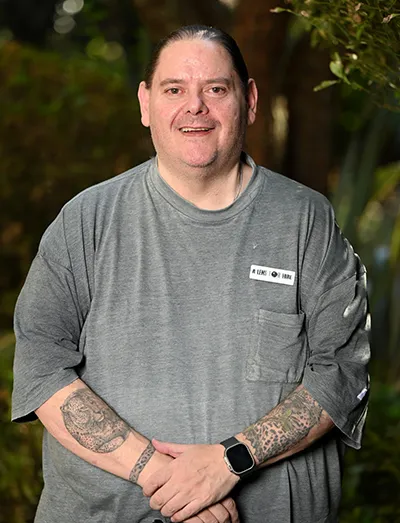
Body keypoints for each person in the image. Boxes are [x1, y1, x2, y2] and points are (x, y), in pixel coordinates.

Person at [12, 24, 370, 523]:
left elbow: (341, 371)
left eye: (216, 89)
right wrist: (167, 478)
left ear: (249, 101)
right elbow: (41, 368)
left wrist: (230, 460)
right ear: (146, 103)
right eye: (174, 90)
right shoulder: (85, 222)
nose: (195, 107)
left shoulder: (306, 222)